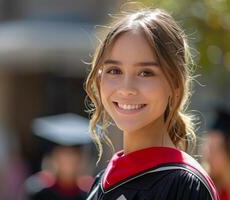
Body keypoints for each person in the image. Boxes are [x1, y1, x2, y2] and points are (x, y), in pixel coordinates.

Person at [84, 8, 219, 200]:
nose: (126, 88)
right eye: (114, 70)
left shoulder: (185, 185)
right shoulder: (101, 183)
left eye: (145, 72)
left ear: (175, 84)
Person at [25, 113, 94, 200]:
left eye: (72, 155)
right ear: (54, 157)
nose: (68, 161)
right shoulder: (37, 190)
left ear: (80, 159)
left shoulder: (89, 192)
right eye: (63, 155)